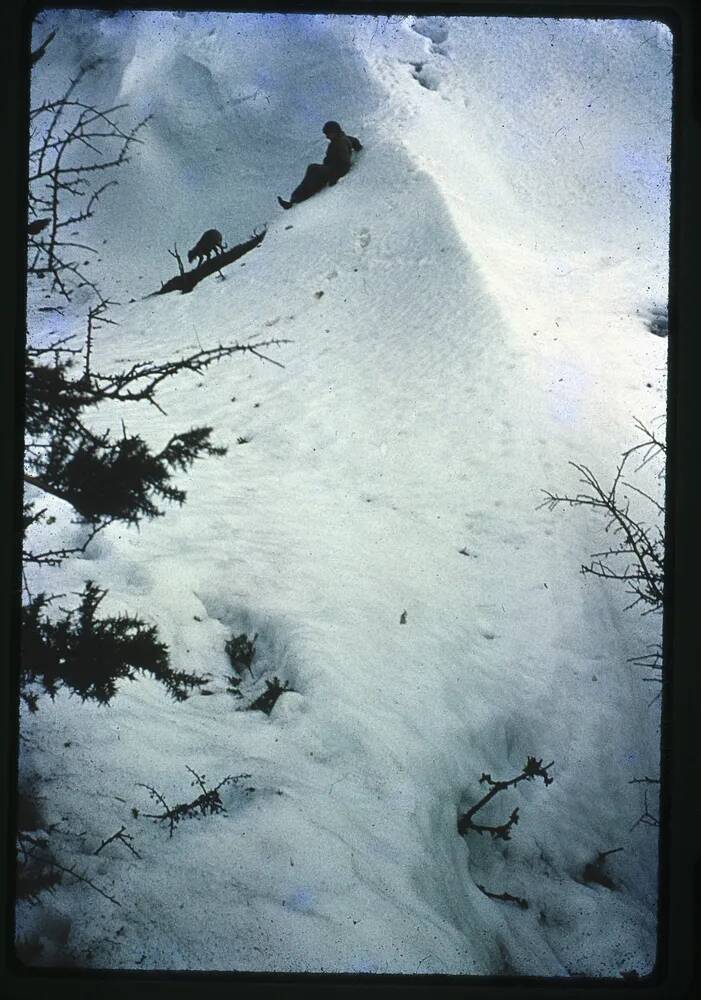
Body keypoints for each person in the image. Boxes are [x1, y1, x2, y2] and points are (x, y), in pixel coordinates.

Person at [277, 121, 363, 210]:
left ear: (334, 131)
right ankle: (293, 199)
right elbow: (355, 142)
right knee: (312, 172)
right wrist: (359, 148)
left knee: (313, 171)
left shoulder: (340, 142)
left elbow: (345, 163)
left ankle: (295, 200)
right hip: (331, 169)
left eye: (328, 134)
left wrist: (335, 177)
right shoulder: (343, 138)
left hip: (333, 171)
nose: (327, 136)